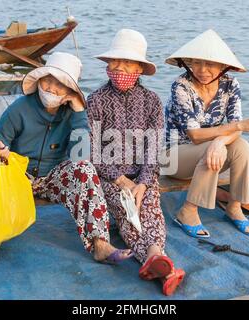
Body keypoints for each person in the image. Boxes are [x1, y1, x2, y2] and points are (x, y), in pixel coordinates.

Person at [0, 52, 133, 266]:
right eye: (48, 81)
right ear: (39, 81)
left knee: (85, 169)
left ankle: (100, 244)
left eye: (60, 85)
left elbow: (81, 156)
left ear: (69, 92)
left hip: (53, 178)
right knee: (0, 167)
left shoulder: (73, 114)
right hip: (20, 176)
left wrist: (78, 112)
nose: (51, 88)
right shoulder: (20, 108)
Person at [87, 29, 185, 296]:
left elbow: (154, 148)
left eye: (127, 63)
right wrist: (122, 181)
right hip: (109, 176)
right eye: (115, 62)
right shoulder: (96, 100)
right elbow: (94, 151)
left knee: (150, 206)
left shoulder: (152, 101)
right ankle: (159, 261)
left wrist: (142, 183)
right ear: (108, 65)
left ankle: (156, 259)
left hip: (143, 174)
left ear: (140, 68)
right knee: (126, 209)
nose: (120, 68)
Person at [164, 29, 249, 238]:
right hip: (173, 156)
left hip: (206, 151)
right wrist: (233, 131)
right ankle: (188, 211)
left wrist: (220, 141)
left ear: (223, 66)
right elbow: (194, 135)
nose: (202, 70)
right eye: (196, 63)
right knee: (211, 149)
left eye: (210, 64)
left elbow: (235, 128)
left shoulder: (231, 85)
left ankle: (234, 206)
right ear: (188, 63)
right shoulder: (181, 86)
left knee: (243, 147)